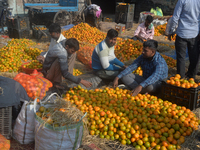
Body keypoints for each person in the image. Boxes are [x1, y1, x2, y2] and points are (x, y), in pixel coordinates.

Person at [168, 0, 200, 79]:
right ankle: (191, 76)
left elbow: (175, 17)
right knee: (194, 57)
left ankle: (181, 78)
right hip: (194, 34)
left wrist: (172, 31)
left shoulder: (182, 0)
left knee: (181, 58)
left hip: (182, 33)